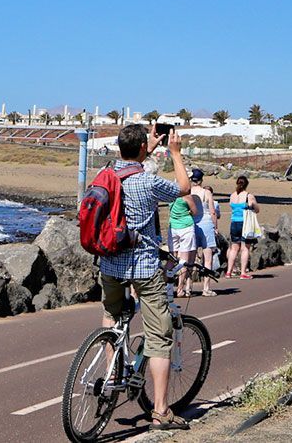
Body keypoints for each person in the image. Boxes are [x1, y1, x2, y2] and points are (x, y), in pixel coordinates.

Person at [99, 123, 191, 430]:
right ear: (141, 148)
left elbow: (131, 162)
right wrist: (175, 153)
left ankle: (113, 372)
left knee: (111, 313)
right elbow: (184, 188)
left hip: (110, 262)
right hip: (143, 266)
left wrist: (145, 148)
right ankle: (161, 410)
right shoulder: (148, 182)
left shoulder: (109, 173)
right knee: (159, 337)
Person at [188, 169, 219, 297]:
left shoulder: (188, 192)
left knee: (190, 257)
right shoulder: (206, 192)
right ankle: (206, 288)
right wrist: (215, 227)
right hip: (206, 223)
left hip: (192, 224)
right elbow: (212, 211)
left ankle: (187, 287)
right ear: (201, 180)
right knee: (208, 258)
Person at [226, 176, 260, 279]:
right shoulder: (248, 196)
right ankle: (243, 272)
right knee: (245, 248)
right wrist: (253, 204)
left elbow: (231, 206)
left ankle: (229, 271)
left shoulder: (232, 196)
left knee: (234, 248)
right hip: (245, 224)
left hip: (234, 222)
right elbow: (257, 209)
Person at [168, 194, 198, 297]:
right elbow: (195, 211)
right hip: (185, 226)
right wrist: (188, 212)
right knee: (183, 260)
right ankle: (180, 288)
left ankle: (168, 287)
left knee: (171, 258)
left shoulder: (171, 196)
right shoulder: (186, 197)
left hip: (173, 226)